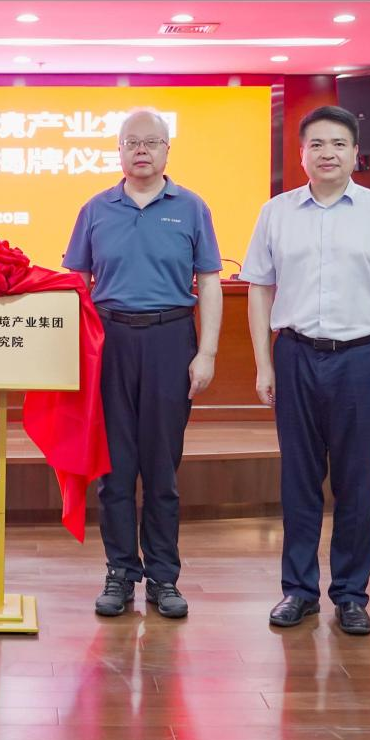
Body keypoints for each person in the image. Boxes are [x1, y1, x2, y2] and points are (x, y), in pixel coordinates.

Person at [240, 104, 370, 636]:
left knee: (355, 483)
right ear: (301, 154)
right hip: (295, 354)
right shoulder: (276, 212)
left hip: (363, 359)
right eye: (316, 144)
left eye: (339, 144)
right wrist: (263, 363)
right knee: (298, 481)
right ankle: (298, 591)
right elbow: (259, 289)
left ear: (355, 153)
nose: (327, 153)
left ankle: (350, 594)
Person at [62, 108, 223, 619]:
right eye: (132, 142)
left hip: (171, 339)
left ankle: (163, 577)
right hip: (110, 342)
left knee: (161, 469)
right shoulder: (95, 209)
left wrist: (207, 352)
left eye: (151, 142)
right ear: (119, 150)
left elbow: (210, 282)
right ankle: (119, 573)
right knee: (114, 469)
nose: (141, 151)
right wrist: (77, 353)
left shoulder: (192, 208)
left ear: (167, 150)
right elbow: (77, 285)